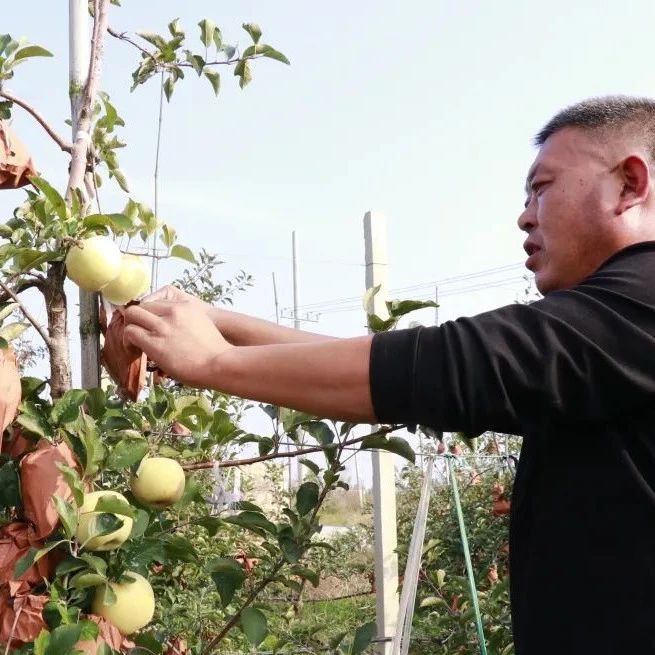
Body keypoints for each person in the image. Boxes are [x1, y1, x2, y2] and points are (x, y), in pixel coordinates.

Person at [123, 95, 655, 655]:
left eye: (541, 188)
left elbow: (445, 364)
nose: (525, 215)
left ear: (629, 184)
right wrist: (221, 325)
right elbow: (384, 363)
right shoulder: (612, 342)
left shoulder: (642, 302)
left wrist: (214, 363)